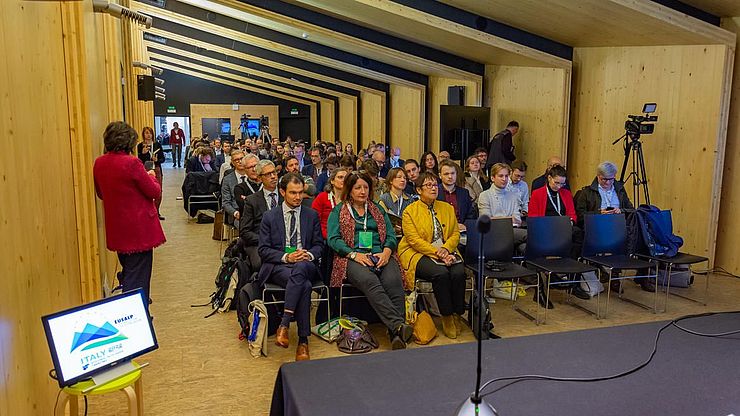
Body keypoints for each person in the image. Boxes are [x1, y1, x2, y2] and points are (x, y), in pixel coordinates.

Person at [327, 172, 413, 350]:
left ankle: (395, 334)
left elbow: (390, 235)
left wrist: (387, 252)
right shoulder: (339, 211)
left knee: (394, 281)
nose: (362, 191)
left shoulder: (377, 209)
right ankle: (398, 326)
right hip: (352, 258)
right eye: (357, 187)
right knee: (370, 280)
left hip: (381, 254)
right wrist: (353, 254)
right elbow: (333, 239)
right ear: (349, 190)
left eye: (366, 187)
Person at [93, 121, 166, 307]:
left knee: (129, 271)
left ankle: (135, 308)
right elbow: (154, 192)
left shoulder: (99, 163)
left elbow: (100, 193)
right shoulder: (132, 163)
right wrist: (150, 175)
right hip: (138, 230)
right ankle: (138, 315)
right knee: (139, 279)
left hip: (117, 228)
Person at [258, 173, 323, 361]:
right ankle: (303, 342)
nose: (297, 197)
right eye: (293, 193)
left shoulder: (311, 215)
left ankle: (284, 323)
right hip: (280, 266)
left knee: (302, 267)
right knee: (304, 286)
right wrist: (287, 256)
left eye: (300, 193)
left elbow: (319, 245)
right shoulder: (270, 217)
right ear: (282, 192)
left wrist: (308, 254)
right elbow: (263, 250)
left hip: (307, 264)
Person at [398, 171, 466, 339]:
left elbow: (455, 234)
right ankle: (447, 316)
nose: (433, 188)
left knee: (459, 273)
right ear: (419, 190)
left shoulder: (447, 208)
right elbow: (413, 240)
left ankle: (458, 313)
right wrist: (438, 253)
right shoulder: (409, 211)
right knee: (440, 274)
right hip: (417, 252)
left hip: (446, 250)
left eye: (435, 185)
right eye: (428, 185)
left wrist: (447, 249)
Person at [528, 165, 590, 306]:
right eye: (556, 182)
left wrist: (570, 221)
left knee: (579, 235)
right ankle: (544, 287)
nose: (559, 186)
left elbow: (572, 214)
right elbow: (533, 217)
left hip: (564, 229)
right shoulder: (538, 193)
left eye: (562, 183)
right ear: (549, 178)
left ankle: (574, 280)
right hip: (545, 229)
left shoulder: (566, 193)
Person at [239, 160, 282, 279]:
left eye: (274, 172)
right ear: (259, 178)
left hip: (285, 242)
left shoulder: (286, 195)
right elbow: (245, 231)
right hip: (259, 243)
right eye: (268, 174)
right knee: (261, 264)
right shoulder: (252, 200)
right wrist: (266, 240)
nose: (273, 177)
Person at [477, 163, 526, 254]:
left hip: (511, 230)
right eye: (501, 176)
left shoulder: (513, 196)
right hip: (493, 231)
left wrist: (500, 219)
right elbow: (486, 220)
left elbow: (518, 221)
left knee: (525, 247)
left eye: (506, 176)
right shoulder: (485, 195)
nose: (504, 179)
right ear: (492, 178)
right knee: (531, 235)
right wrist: (508, 219)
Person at [574, 161, 634, 226]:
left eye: (611, 179)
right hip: (596, 226)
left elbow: (631, 210)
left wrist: (620, 211)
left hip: (618, 225)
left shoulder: (620, 190)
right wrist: (599, 213)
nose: (607, 182)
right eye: (604, 179)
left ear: (614, 176)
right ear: (598, 176)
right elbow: (580, 216)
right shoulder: (587, 192)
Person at [437, 160, 475, 231]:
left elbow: (471, 215)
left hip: (462, 231)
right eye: (446, 174)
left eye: (452, 173)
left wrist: (464, 225)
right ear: (440, 176)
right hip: (442, 231)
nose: (450, 176)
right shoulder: (435, 193)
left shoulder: (464, 193)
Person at [137, 126, 165, 220]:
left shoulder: (157, 145)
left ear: (152, 134)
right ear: (143, 135)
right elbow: (139, 160)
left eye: (150, 133)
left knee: (158, 191)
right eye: (146, 133)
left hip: (156, 168)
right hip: (145, 169)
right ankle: (148, 212)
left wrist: (157, 160)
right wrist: (143, 153)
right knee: (146, 191)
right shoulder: (140, 146)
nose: (148, 135)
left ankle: (156, 211)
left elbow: (163, 159)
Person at [378, 167, 414, 232]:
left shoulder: (410, 200)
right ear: (391, 180)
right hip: (389, 234)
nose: (403, 180)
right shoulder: (384, 199)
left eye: (405, 178)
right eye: (399, 177)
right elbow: (381, 222)